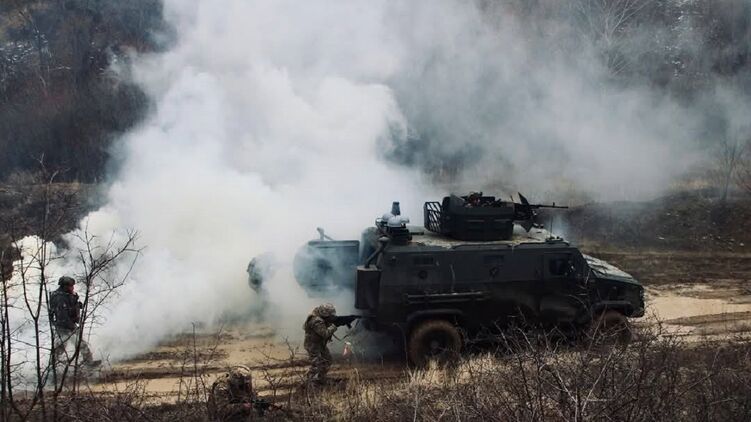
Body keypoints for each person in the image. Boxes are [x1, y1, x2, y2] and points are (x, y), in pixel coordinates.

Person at [48, 276, 99, 368]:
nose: (73, 288)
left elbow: (71, 306)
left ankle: (52, 366)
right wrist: (72, 327)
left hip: (69, 325)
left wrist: (77, 306)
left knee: (63, 346)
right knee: (75, 344)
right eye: (71, 286)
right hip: (64, 326)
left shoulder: (67, 295)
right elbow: (62, 315)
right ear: (65, 286)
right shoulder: (59, 297)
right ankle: (52, 368)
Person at [302, 303, 338, 385]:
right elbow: (325, 333)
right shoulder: (316, 321)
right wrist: (334, 326)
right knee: (316, 364)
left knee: (327, 360)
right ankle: (308, 383)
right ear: (324, 313)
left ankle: (321, 379)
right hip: (313, 345)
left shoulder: (321, 318)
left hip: (319, 344)